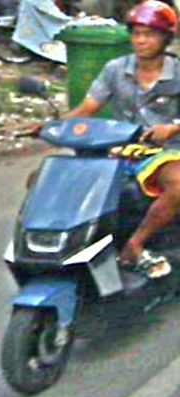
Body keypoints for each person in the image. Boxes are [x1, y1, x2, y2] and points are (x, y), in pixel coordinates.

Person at [32, 0, 180, 278]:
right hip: (119, 150)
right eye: (137, 34)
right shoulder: (115, 69)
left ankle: (136, 244)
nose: (141, 41)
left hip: (164, 153)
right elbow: (88, 108)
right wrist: (54, 128)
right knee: (41, 180)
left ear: (165, 38)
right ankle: (60, 246)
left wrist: (173, 127)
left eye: (149, 34)